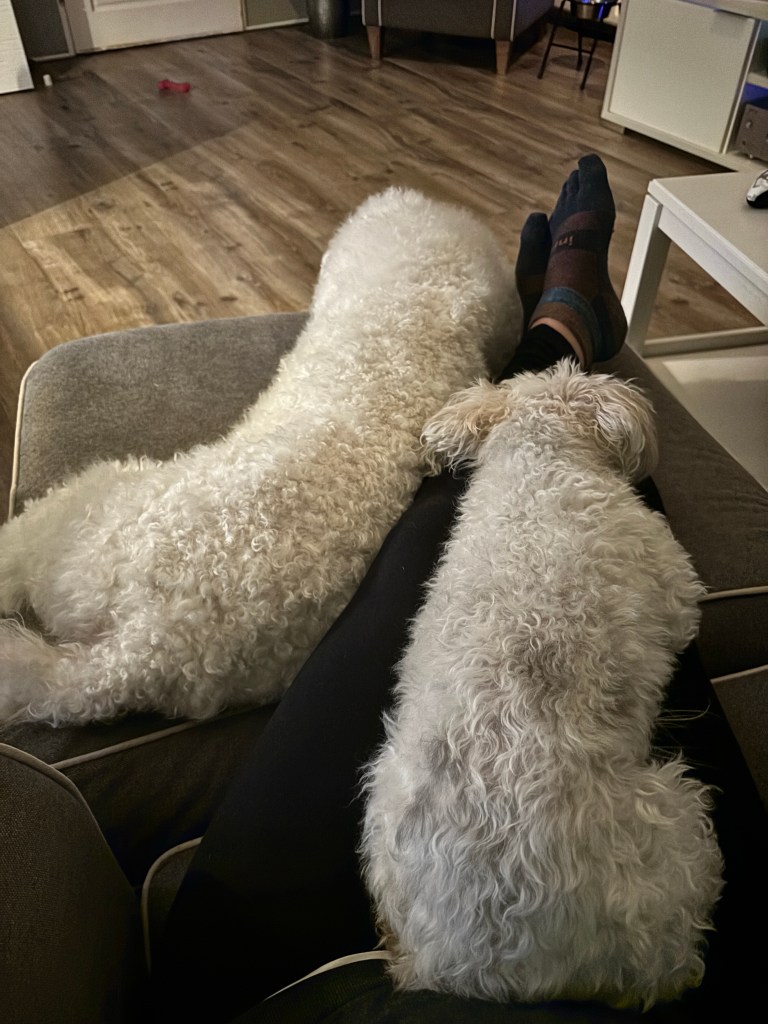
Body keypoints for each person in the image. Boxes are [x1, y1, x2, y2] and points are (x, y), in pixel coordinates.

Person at [150, 156, 766, 1023]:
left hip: (247, 975)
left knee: (470, 488)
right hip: (622, 954)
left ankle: (550, 338)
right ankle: (560, 333)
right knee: (584, 501)